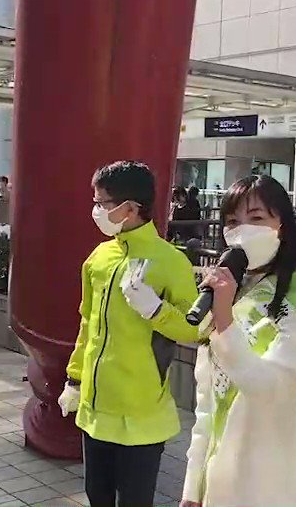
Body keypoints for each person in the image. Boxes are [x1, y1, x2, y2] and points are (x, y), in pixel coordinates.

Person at [181, 175, 296, 507]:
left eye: (256, 218)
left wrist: (224, 321)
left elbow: (269, 390)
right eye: (232, 222)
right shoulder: (234, 294)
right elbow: (208, 401)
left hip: (281, 488)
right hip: (221, 485)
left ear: (282, 226)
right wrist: (193, 486)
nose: (242, 231)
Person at [57, 161, 200, 507]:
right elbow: (87, 324)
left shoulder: (170, 261)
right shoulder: (99, 257)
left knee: (135, 501)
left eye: (103, 203)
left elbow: (195, 330)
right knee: (98, 496)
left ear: (131, 207)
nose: (96, 211)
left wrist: (155, 309)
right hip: (96, 408)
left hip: (141, 412)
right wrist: (74, 379)